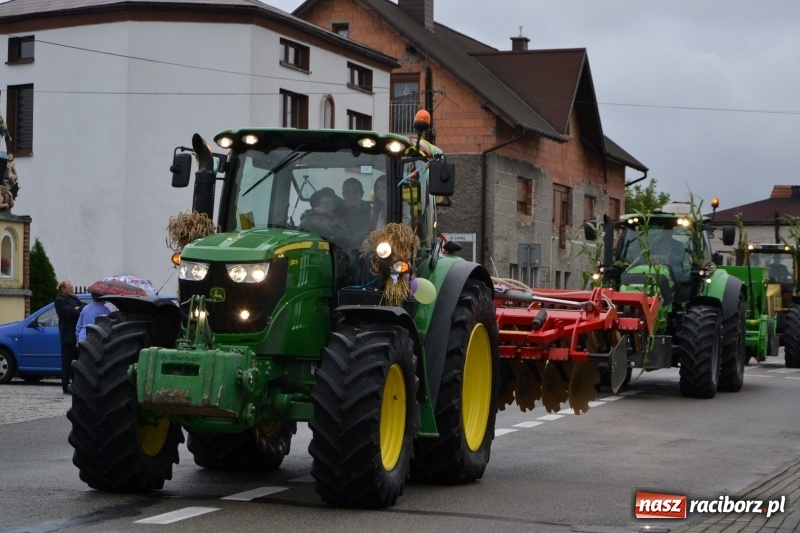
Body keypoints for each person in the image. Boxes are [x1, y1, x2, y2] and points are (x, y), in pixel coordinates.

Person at [54, 279, 86, 394]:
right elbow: (69, 313)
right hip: (67, 336)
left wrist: (77, 309)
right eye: (70, 287)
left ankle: (76, 385)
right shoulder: (59, 301)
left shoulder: (73, 298)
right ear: (63, 289)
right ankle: (65, 386)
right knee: (67, 363)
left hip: (76, 335)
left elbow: (84, 306)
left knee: (77, 361)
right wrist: (76, 310)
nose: (72, 289)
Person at [341, 177, 372, 251]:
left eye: (355, 192)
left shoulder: (371, 212)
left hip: (365, 251)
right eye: (347, 192)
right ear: (343, 194)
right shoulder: (337, 210)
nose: (351, 196)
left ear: (362, 194)